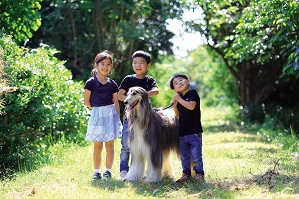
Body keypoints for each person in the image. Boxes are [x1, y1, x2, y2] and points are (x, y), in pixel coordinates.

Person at [118, 50, 159, 179]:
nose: (138, 65)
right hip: (129, 119)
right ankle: (124, 171)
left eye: (141, 62)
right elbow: (120, 95)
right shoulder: (128, 79)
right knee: (126, 145)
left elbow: (156, 91)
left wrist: (141, 94)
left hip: (146, 119)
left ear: (148, 65)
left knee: (146, 145)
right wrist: (132, 99)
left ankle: (148, 171)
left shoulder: (149, 80)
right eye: (135, 62)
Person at [84, 51, 122, 181]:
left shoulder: (112, 84)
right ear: (96, 64)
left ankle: (108, 171)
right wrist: (97, 112)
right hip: (97, 115)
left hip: (110, 115)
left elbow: (116, 102)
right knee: (98, 146)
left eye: (108, 64)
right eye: (102, 64)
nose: (105, 67)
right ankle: (97, 172)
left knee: (110, 145)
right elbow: (86, 102)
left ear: (111, 66)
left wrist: (117, 118)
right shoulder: (90, 82)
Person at [169, 74, 204, 183]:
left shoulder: (192, 93)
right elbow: (178, 115)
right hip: (182, 132)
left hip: (194, 132)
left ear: (188, 81)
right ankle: (186, 174)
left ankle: (199, 173)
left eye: (181, 80)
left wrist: (178, 99)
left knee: (196, 155)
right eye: (176, 83)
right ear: (174, 89)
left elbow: (191, 106)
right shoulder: (179, 99)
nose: (179, 83)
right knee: (184, 156)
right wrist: (175, 105)